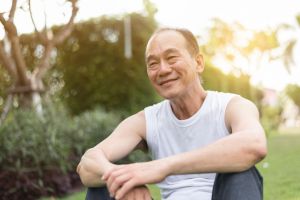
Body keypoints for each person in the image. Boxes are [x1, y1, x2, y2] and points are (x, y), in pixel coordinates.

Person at [77, 27, 267, 200]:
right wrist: (121, 179)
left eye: (171, 58)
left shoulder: (232, 106)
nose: (163, 70)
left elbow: (254, 144)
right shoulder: (147, 120)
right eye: (153, 63)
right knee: (101, 186)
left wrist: (163, 167)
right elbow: (87, 163)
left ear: (198, 63)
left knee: (241, 172)